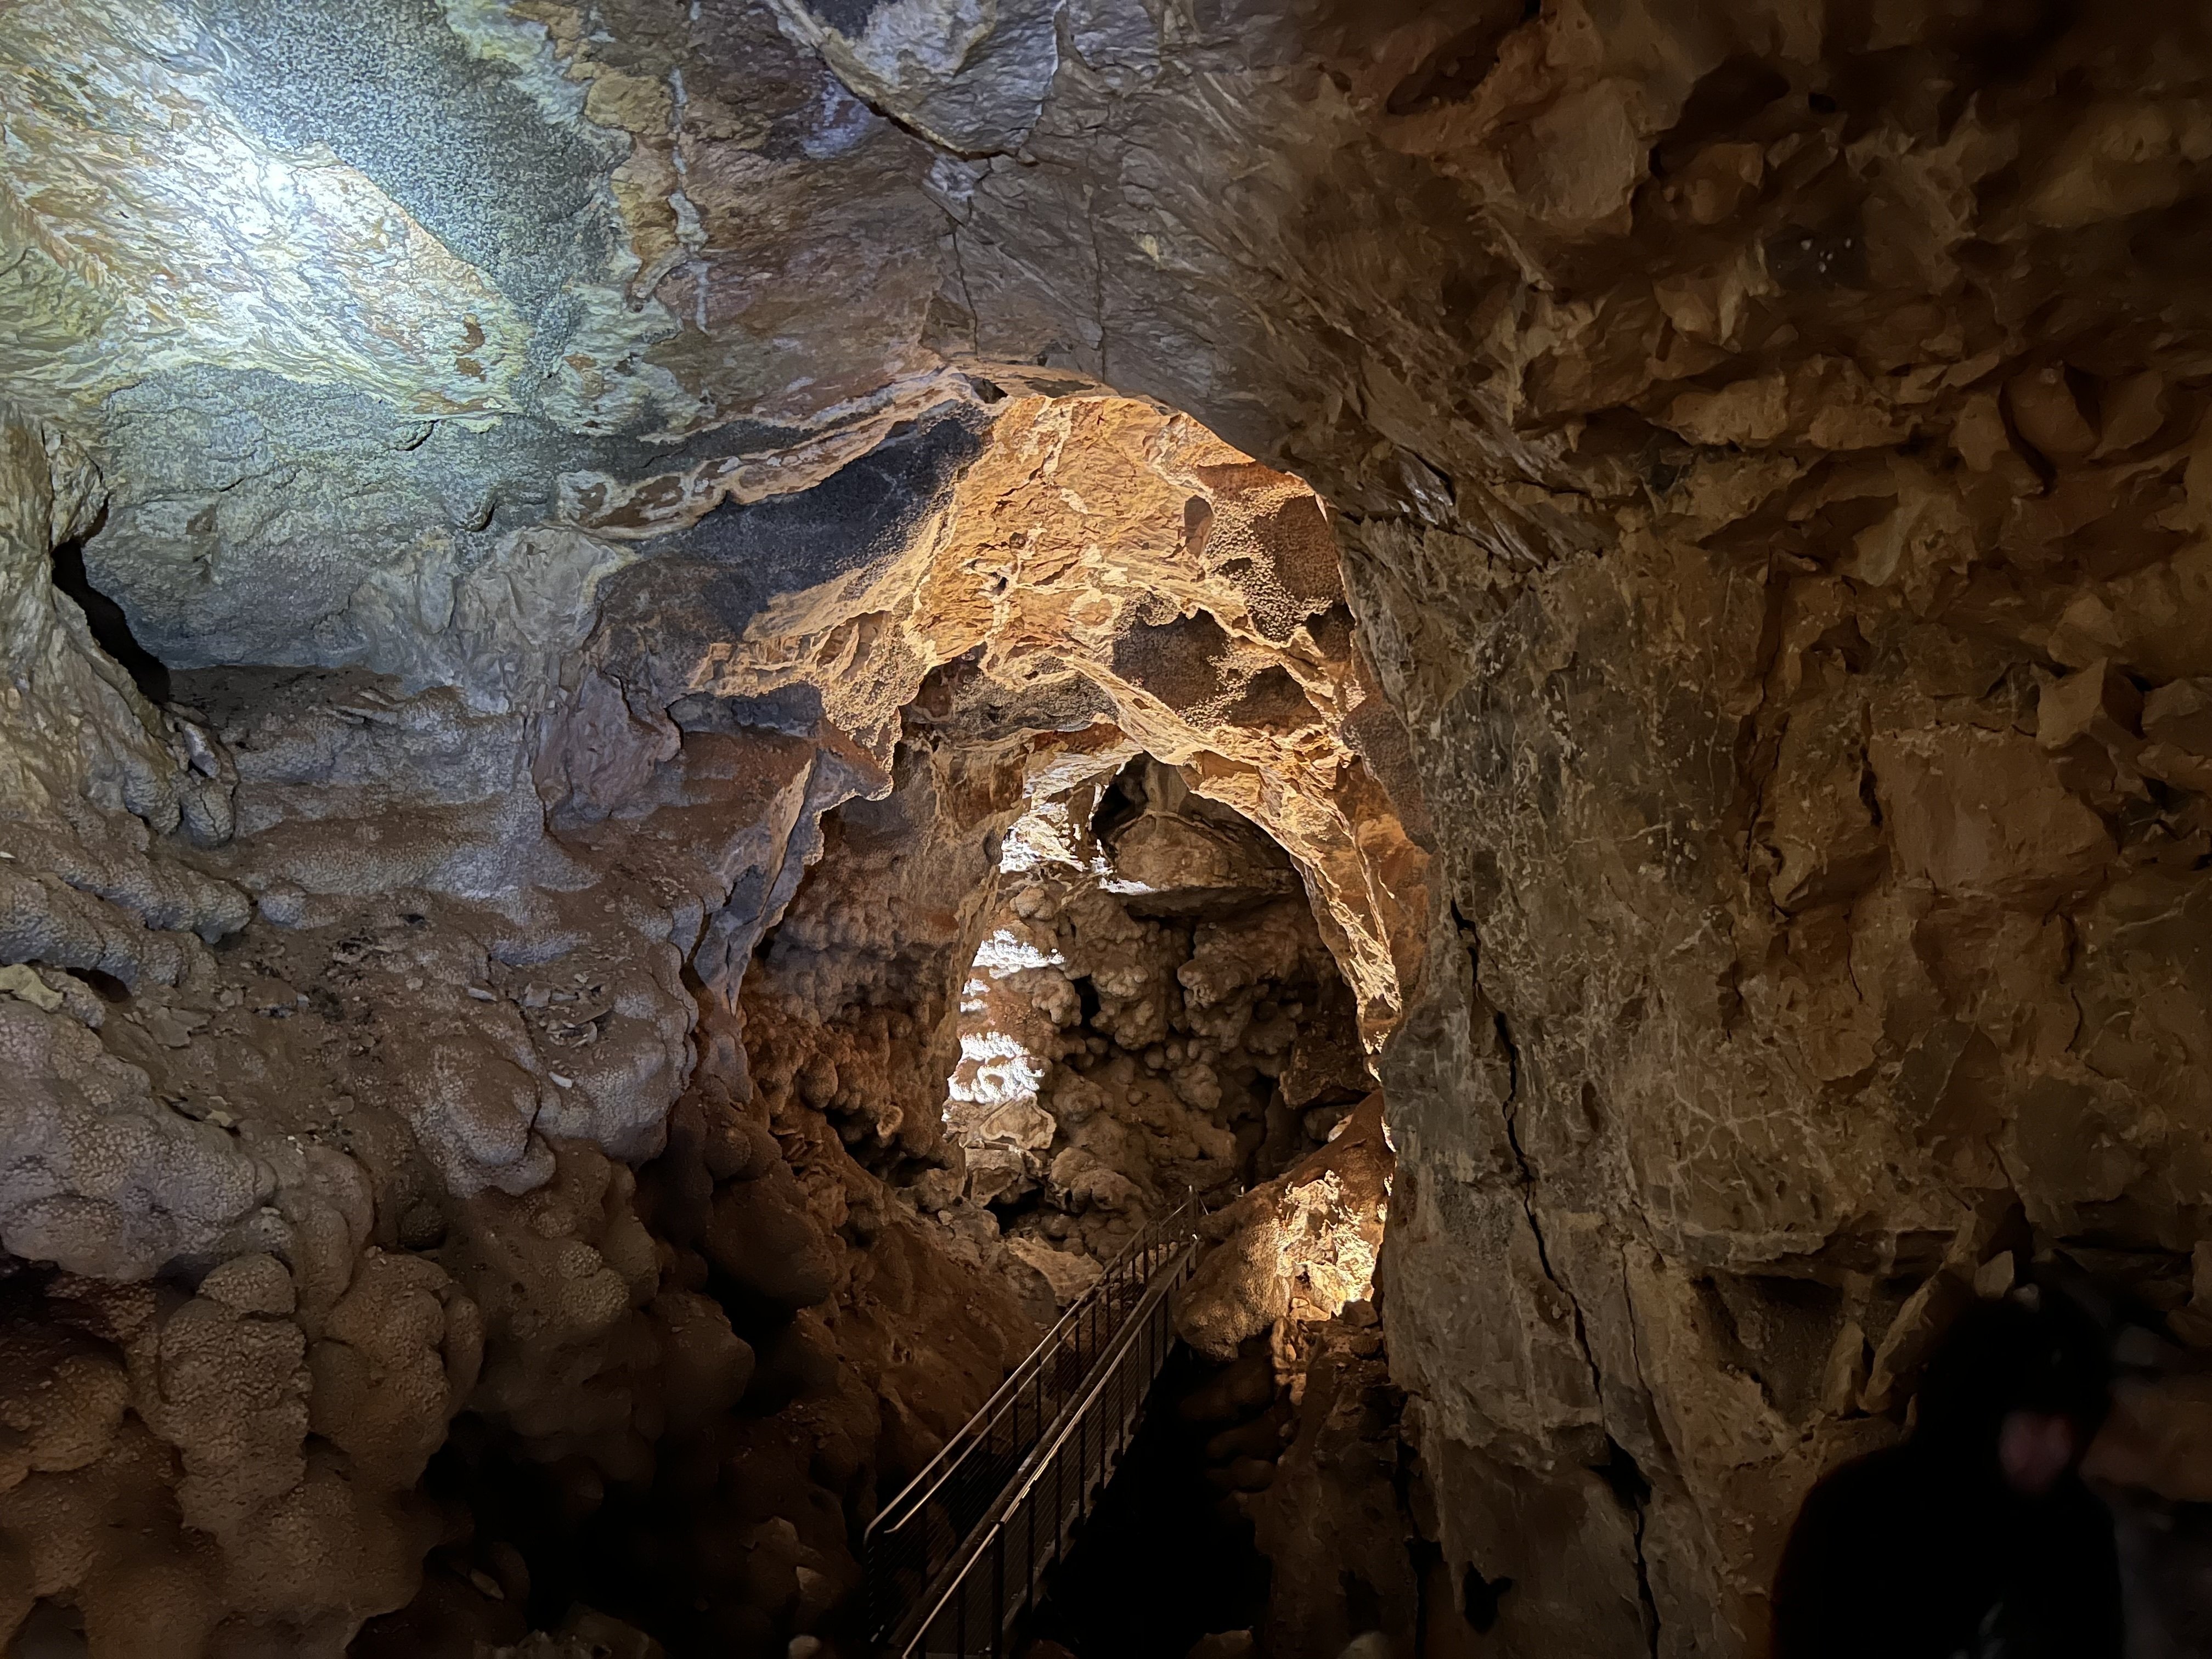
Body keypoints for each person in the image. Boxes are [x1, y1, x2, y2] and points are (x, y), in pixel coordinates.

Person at [1771, 1294, 2125, 1659]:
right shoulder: (1854, 1515)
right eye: (2038, 1421)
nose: (2063, 1447)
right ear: (1981, 1413)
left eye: (2075, 1423)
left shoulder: (2078, 1532)